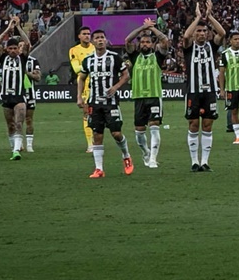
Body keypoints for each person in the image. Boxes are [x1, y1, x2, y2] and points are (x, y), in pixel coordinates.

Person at [79, 30, 132, 179]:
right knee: (97, 135)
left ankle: (126, 156)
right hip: (94, 103)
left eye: (102, 37)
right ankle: (99, 169)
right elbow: (82, 78)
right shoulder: (88, 60)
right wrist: (79, 97)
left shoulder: (115, 58)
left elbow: (126, 75)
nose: (100, 40)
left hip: (111, 102)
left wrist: (115, 87)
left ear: (106, 40)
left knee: (116, 133)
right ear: (93, 42)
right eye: (97, 38)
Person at [183, 0, 226, 172]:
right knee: (193, 124)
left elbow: (222, 33)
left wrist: (210, 16)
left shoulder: (212, 46)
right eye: (199, 31)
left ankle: (205, 161)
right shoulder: (188, 47)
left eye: (204, 31)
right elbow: (185, 36)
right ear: (195, 34)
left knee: (207, 125)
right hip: (192, 92)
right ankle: (194, 161)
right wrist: (198, 18)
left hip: (209, 92)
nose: (201, 33)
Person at [124, 19, 169, 168]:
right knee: (139, 132)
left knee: (154, 126)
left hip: (154, 96)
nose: (145, 44)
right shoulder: (134, 56)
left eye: (148, 42)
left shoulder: (157, 56)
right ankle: (146, 153)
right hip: (138, 98)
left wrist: (153, 29)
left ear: (152, 44)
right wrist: (142, 28)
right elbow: (127, 40)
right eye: (142, 42)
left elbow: (165, 41)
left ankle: (153, 159)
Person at [0, 16, 39, 160]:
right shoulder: (3, 58)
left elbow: (27, 43)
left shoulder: (23, 58)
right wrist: (8, 28)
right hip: (6, 96)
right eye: (10, 48)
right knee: (10, 125)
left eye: (15, 48)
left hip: (19, 96)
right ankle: (14, 148)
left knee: (19, 123)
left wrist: (18, 27)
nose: (13, 50)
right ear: (7, 49)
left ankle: (16, 151)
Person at [69, 26, 96, 154]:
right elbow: (76, 69)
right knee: (87, 114)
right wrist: (94, 65)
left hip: (99, 85)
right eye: (84, 34)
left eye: (88, 34)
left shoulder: (96, 48)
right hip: (85, 86)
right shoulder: (74, 50)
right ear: (79, 36)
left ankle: (98, 141)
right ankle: (90, 144)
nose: (87, 36)